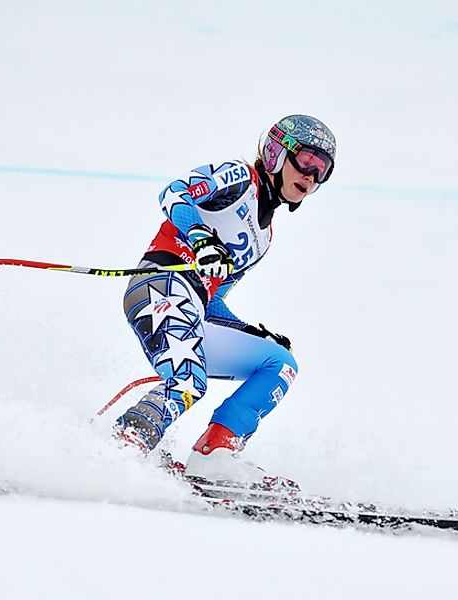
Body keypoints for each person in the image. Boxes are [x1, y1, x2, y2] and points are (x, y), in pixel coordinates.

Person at [113, 114, 337, 484]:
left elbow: (212, 303)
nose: (312, 177)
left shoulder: (263, 238)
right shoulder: (238, 178)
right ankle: (121, 447)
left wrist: (250, 331)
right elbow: (174, 193)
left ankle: (214, 453)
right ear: (278, 153)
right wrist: (201, 239)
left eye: (323, 171)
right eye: (307, 162)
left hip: (192, 306)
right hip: (159, 287)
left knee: (279, 363)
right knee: (188, 380)